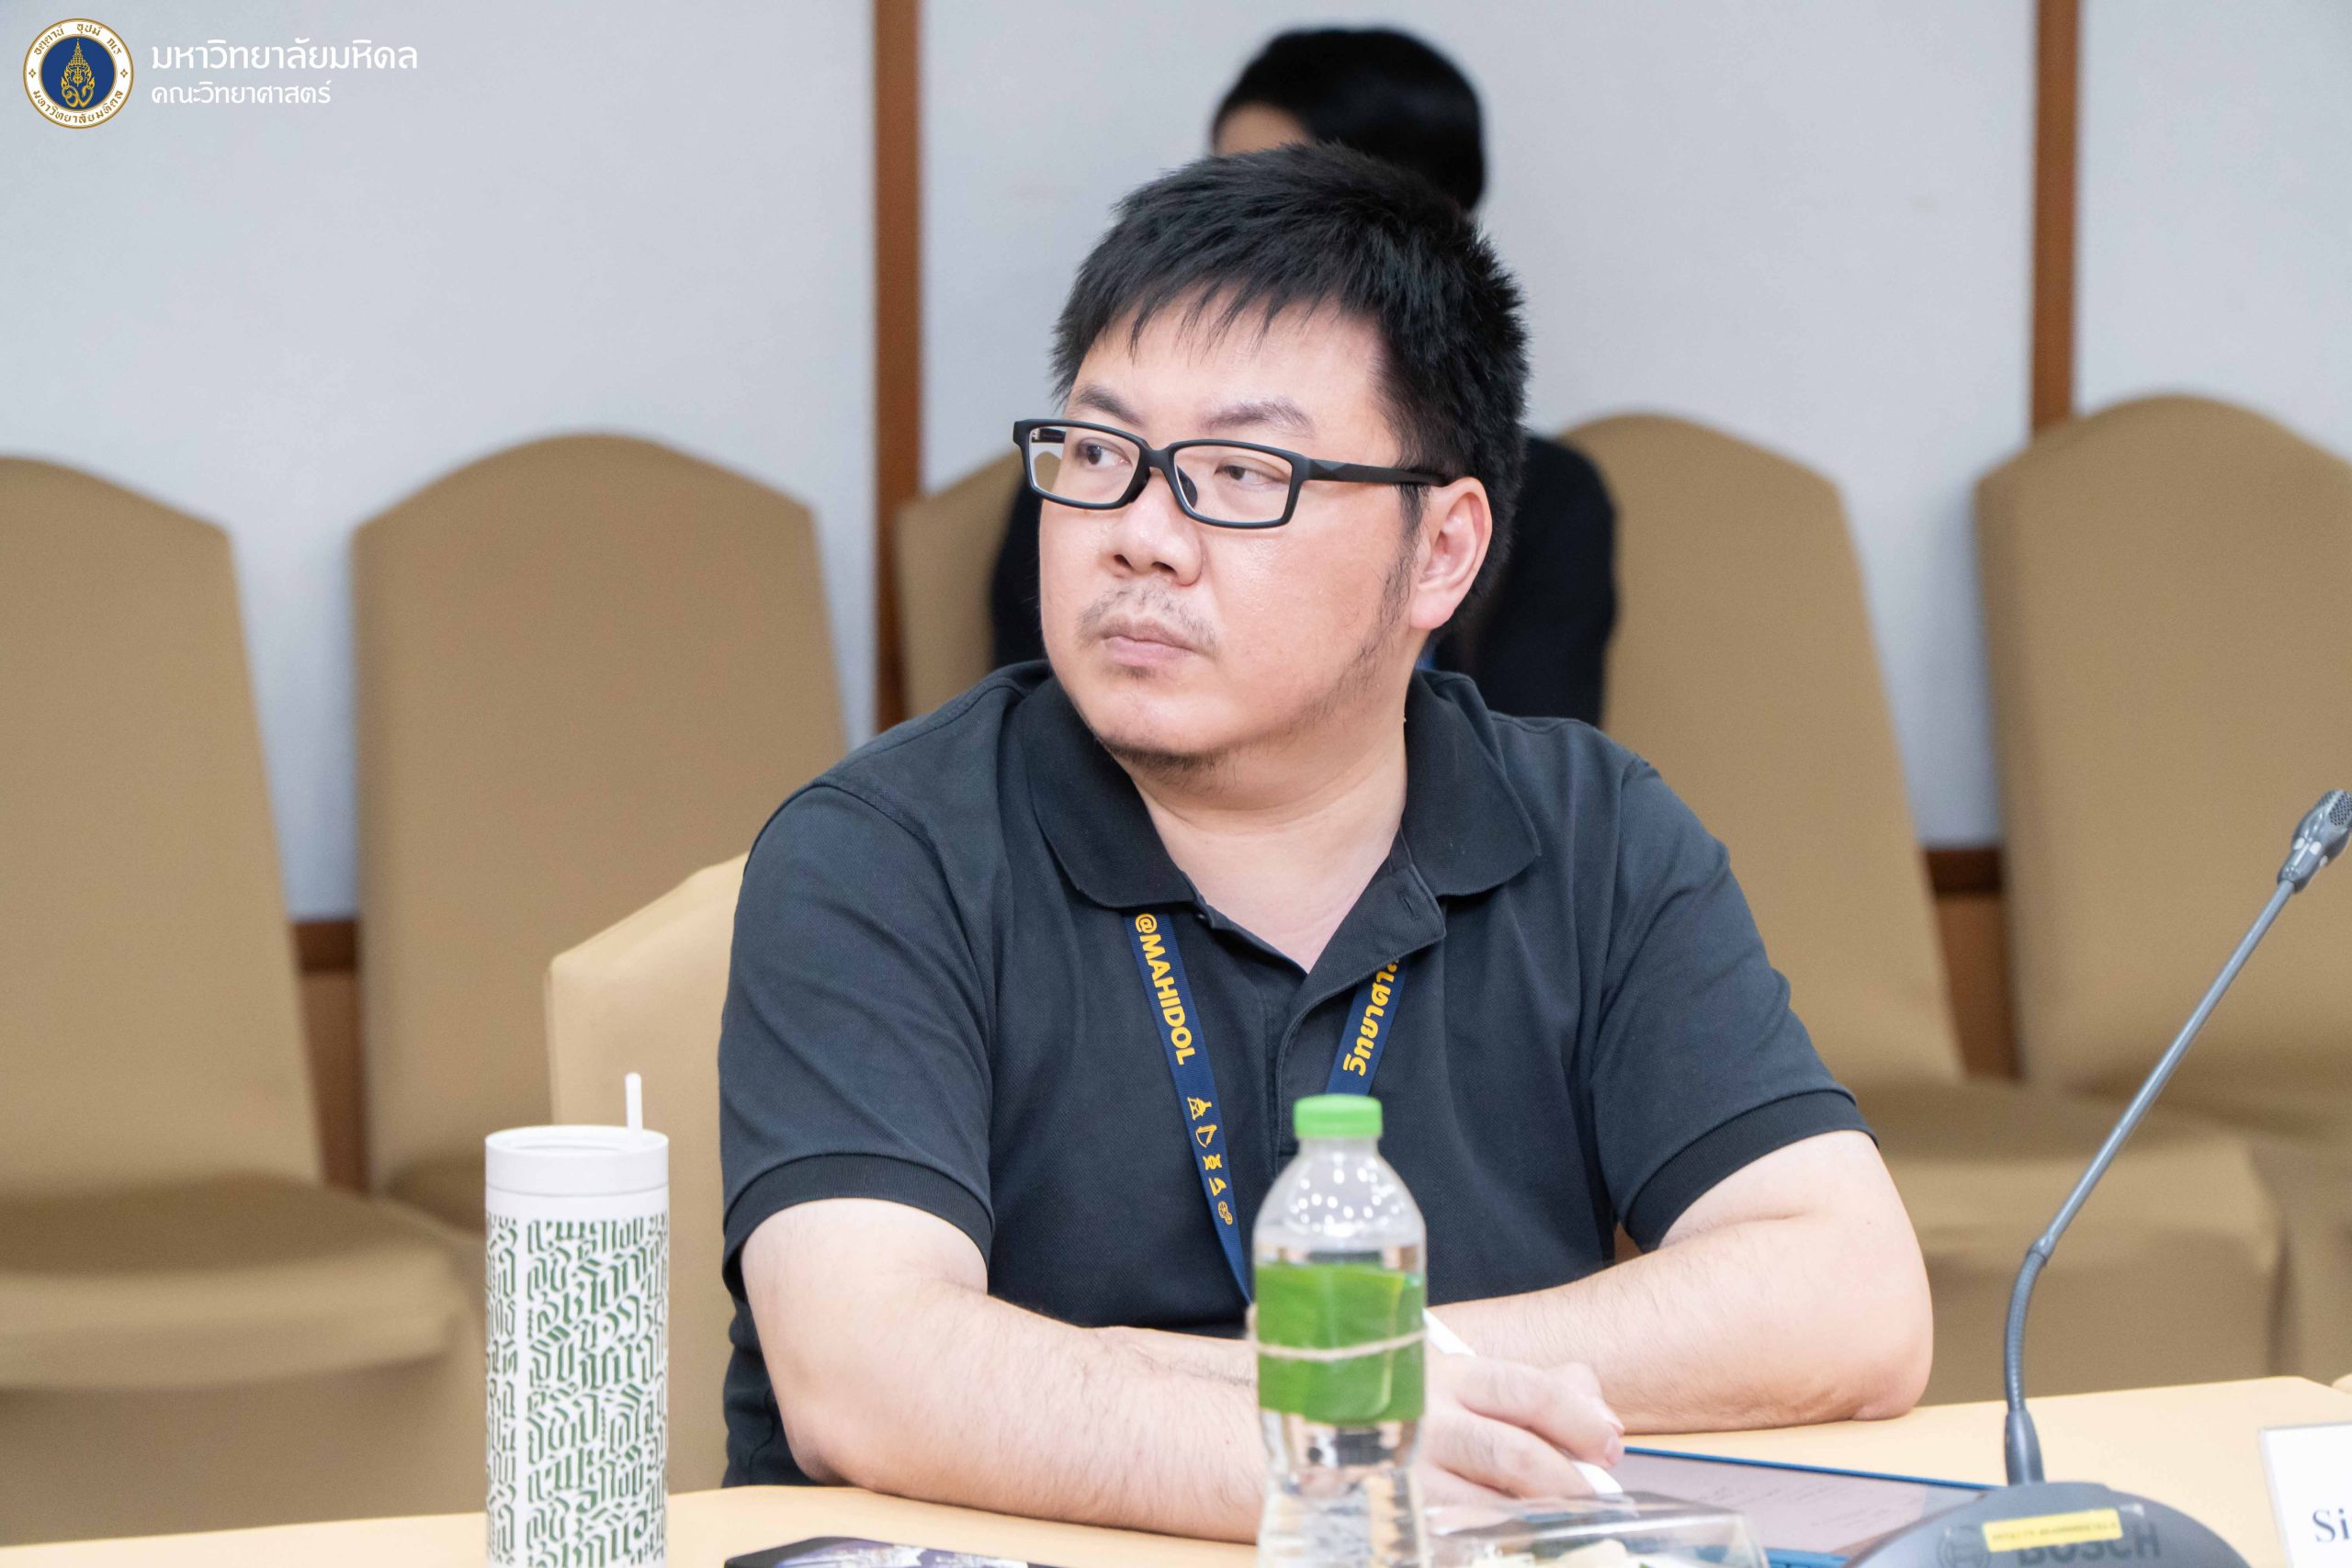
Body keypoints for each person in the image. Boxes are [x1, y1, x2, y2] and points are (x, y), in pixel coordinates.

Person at [721, 145, 1931, 1540]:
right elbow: (861, 1368)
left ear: (1442, 550)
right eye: (1100, 455)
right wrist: (1342, 1430)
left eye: (1240, 473)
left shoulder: (1594, 832)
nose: (1139, 537)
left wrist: (1359, 1373)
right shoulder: (880, 854)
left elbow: (1852, 1297)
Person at [990, 27, 1617, 723]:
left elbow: (1526, 755)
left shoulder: (1548, 506)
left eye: (1245, 471)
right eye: (1223, 187)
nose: (1237, 234)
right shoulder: (1083, 487)